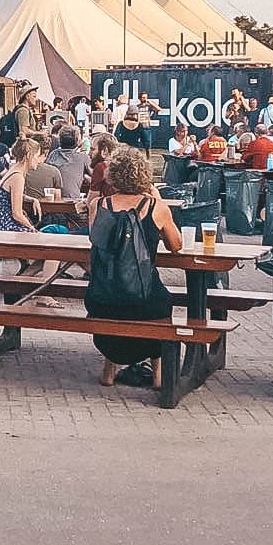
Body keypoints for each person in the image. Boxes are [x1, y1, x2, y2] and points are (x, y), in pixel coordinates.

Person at [85, 144, 182, 390]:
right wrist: (156, 200)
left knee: (115, 293)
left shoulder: (99, 205)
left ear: (113, 174)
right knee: (163, 302)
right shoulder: (155, 207)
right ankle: (159, 373)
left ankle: (110, 368)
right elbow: (176, 245)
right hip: (144, 300)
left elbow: (97, 241)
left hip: (102, 297)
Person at [0, 136, 41, 232]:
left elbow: (11, 194)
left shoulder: (13, 170)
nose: (38, 161)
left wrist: (31, 199)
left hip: (2, 223)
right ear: (28, 155)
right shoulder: (18, 177)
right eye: (37, 156)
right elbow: (17, 214)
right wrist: (33, 229)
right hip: (8, 226)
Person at [46, 125, 87, 199]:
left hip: (53, 199)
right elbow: (94, 174)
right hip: (72, 200)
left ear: (60, 140)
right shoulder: (83, 157)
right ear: (77, 141)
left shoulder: (53, 154)